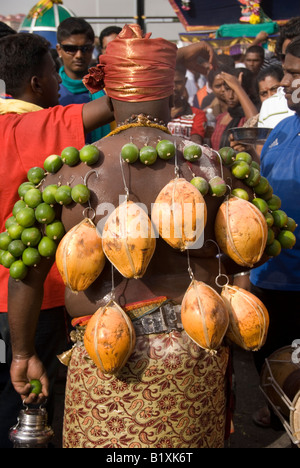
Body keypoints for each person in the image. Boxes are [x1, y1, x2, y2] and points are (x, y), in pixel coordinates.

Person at [7, 24, 265, 449]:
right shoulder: (215, 168)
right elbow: (246, 254)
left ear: (109, 93)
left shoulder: (62, 174)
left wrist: (21, 354)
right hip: (196, 346)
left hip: (103, 350)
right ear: (171, 90)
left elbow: (25, 274)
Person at [0, 32, 114, 448]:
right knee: (30, 409)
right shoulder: (35, 125)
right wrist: (117, 62)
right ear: (35, 83)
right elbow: (117, 105)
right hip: (34, 301)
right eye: (53, 72)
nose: (58, 82)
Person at [249, 37, 300, 429]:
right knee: (272, 361)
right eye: (287, 73)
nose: (286, 83)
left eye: (297, 74)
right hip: (269, 276)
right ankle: (279, 408)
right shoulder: (281, 131)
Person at [56, 17, 111, 142]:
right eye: (71, 49)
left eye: (85, 48)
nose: (79, 55)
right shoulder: (50, 91)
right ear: (59, 50)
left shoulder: (107, 88)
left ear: (92, 49)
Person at [210, 67, 258, 150]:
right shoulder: (220, 117)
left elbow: (254, 121)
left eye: (235, 91)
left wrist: (237, 86)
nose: (230, 96)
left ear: (248, 91)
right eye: (228, 89)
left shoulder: (247, 117)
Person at [168, 65, 207, 144]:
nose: (174, 87)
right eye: (170, 82)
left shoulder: (197, 114)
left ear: (185, 81)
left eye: (178, 82)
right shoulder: (155, 112)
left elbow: (196, 141)